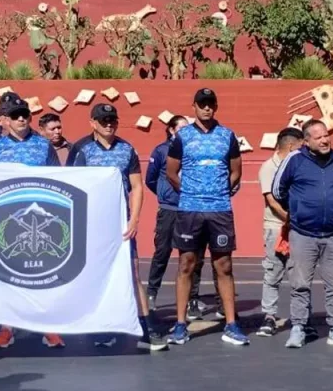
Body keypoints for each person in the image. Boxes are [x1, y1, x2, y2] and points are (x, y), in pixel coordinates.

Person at [67, 103, 165, 351]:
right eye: (103, 120)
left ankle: (146, 326)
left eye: (112, 120)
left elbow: (138, 187)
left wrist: (134, 220)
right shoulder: (81, 149)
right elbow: (72, 185)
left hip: (121, 222)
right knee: (95, 273)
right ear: (93, 123)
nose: (109, 124)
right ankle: (100, 326)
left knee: (133, 273)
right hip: (92, 223)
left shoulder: (126, 149)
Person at [0, 100, 65, 350]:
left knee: (44, 272)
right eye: (15, 116)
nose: (21, 119)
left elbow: (57, 178)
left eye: (24, 115)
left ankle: (48, 326)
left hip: (41, 215)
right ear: (6, 119)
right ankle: (6, 328)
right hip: (4, 218)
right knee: (5, 274)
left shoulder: (44, 145)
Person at [165, 88, 246, 346]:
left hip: (220, 210)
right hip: (190, 210)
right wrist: (190, 192)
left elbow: (235, 171)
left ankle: (231, 324)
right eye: (202, 104)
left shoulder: (227, 136)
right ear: (194, 107)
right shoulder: (183, 136)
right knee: (186, 264)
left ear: (216, 106)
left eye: (211, 104)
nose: (207, 108)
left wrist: (220, 191)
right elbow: (171, 172)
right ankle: (180, 325)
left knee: (224, 266)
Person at [272, 120, 333, 349]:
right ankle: (298, 328)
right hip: (302, 234)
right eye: (318, 137)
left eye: (326, 135)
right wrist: (300, 209)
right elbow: (279, 190)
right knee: (299, 284)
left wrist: (330, 208)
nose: (324, 140)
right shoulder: (294, 160)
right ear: (306, 141)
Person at [145, 115, 201, 312]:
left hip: (191, 209)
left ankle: (192, 300)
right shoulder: (161, 150)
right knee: (162, 253)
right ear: (171, 130)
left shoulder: (194, 149)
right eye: (181, 128)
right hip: (169, 210)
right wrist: (165, 195)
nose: (186, 132)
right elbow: (150, 180)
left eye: (188, 128)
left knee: (193, 256)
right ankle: (151, 293)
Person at [258, 127, 303, 335]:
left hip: (298, 229)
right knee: (273, 273)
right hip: (276, 227)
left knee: (300, 275)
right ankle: (269, 316)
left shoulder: (300, 166)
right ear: (291, 145)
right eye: (301, 146)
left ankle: (300, 318)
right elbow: (272, 202)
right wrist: (293, 219)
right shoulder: (269, 167)